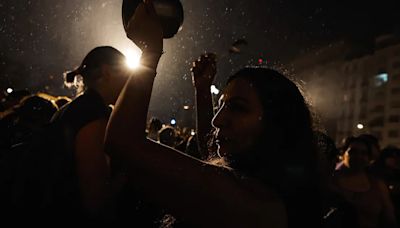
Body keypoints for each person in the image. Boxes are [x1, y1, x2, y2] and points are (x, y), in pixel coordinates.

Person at [105, 0, 320, 227]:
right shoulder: (266, 186)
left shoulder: (253, 203)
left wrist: (150, 52)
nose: (218, 120)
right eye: (221, 107)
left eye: (237, 108)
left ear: (278, 124)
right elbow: (209, 150)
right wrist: (202, 92)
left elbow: (122, 143)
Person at [49, 46, 131, 222]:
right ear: (107, 72)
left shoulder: (73, 108)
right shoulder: (91, 113)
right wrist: (128, 173)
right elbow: (96, 201)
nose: (130, 82)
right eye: (127, 74)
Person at [331, 136, 397, 227]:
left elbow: (389, 219)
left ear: (369, 158)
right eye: (352, 152)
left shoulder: (378, 185)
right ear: (343, 154)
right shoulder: (329, 180)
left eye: (364, 153)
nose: (358, 156)